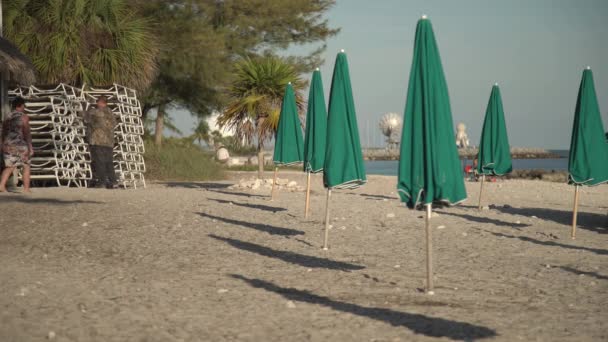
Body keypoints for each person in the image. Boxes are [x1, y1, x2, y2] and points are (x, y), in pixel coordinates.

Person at [0, 97, 33, 193]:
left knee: (10, 166)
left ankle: (1, 186)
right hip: (20, 145)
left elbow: (3, 132)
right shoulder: (24, 117)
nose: (24, 107)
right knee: (26, 165)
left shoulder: (7, 117)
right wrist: (30, 147)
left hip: (8, 145)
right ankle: (26, 189)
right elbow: (27, 133)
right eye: (24, 106)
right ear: (21, 105)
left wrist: (2, 144)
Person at [84, 96, 117, 189]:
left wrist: (86, 107)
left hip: (98, 141)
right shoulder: (111, 113)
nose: (96, 103)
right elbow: (114, 124)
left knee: (100, 162)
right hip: (109, 142)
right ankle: (113, 181)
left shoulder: (95, 112)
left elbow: (85, 118)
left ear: (101, 102)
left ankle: (102, 183)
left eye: (97, 102)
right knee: (109, 162)